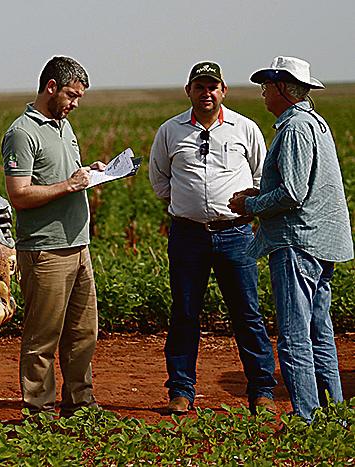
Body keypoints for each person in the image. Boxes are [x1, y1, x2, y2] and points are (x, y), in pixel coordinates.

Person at [228, 56, 353, 422]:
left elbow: (293, 193)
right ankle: (335, 418)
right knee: (320, 333)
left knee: (296, 337)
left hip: (297, 242)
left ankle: (307, 419)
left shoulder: (295, 128)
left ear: (283, 88)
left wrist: (251, 204)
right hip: (319, 241)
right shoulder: (315, 123)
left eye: (267, 86)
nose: (263, 93)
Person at [149, 61, 277, 415]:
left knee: (247, 314)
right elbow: (159, 179)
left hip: (235, 234)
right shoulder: (170, 131)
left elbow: (261, 174)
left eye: (212, 87)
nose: (206, 93)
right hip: (188, 235)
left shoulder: (244, 128)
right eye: (199, 87)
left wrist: (246, 206)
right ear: (188, 91)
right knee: (185, 312)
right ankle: (181, 391)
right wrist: (187, 204)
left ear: (223, 91)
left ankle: (262, 391)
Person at [1, 56, 105, 417]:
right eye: (71, 96)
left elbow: (63, 175)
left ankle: (81, 403)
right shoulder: (22, 133)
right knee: (42, 338)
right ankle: (39, 410)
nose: (75, 104)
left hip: (78, 246)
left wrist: (88, 173)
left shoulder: (63, 125)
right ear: (51, 88)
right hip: (45, 250)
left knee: (83, 334)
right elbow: (19, 194)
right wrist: (68, 185)